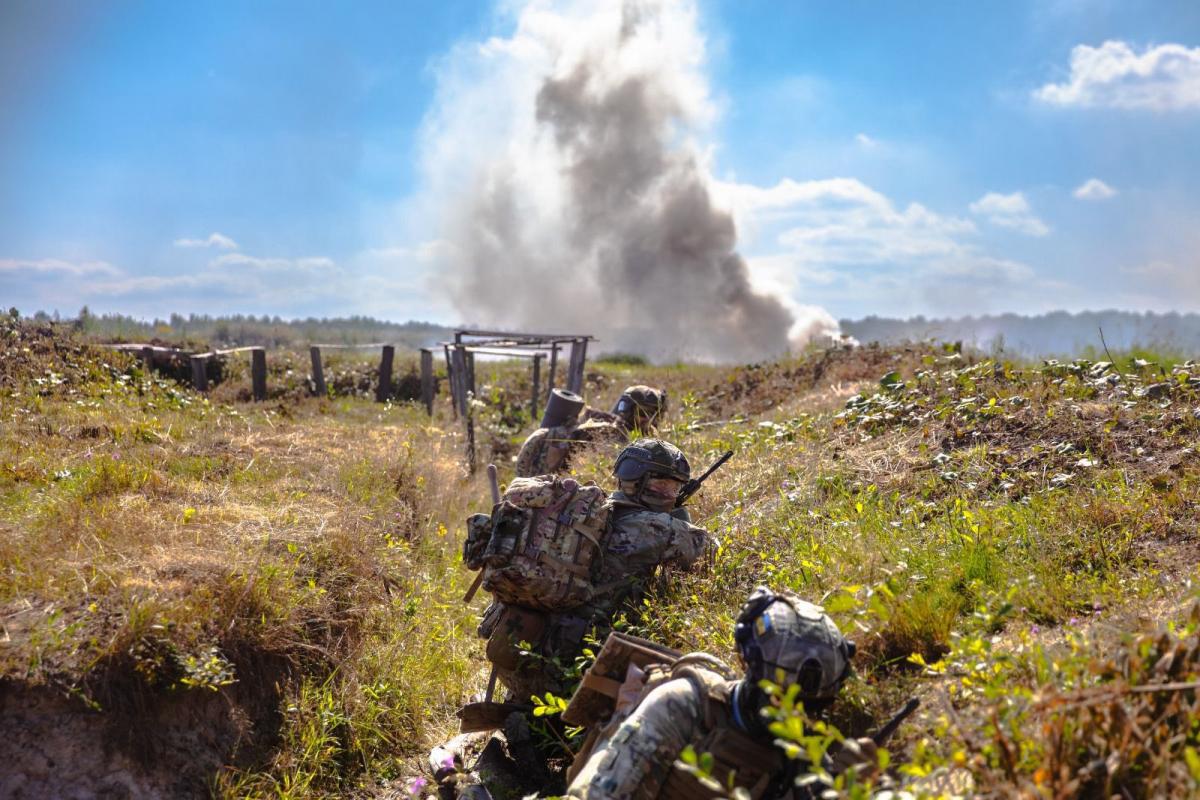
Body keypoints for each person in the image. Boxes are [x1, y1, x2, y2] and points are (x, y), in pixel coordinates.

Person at [564, 587, 873, 800]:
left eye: (810, 707)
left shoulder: (799, 757)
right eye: (778, 696)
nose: (791, 713)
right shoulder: (683, 706)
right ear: (750, 669)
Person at [483, 438, 715, 707]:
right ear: (638, 481)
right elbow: (711, 555)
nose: (670, 493)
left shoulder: (586, 515)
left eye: (675, 487)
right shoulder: (657, 528)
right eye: (663, 484)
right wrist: (681, 519)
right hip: (576, 677)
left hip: (516, 661)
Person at [514, 386, 667, 478]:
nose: (649, 420)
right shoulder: (612, 436)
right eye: (643, 413)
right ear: (627, 410)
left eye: (654, 415)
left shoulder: (605, 428)